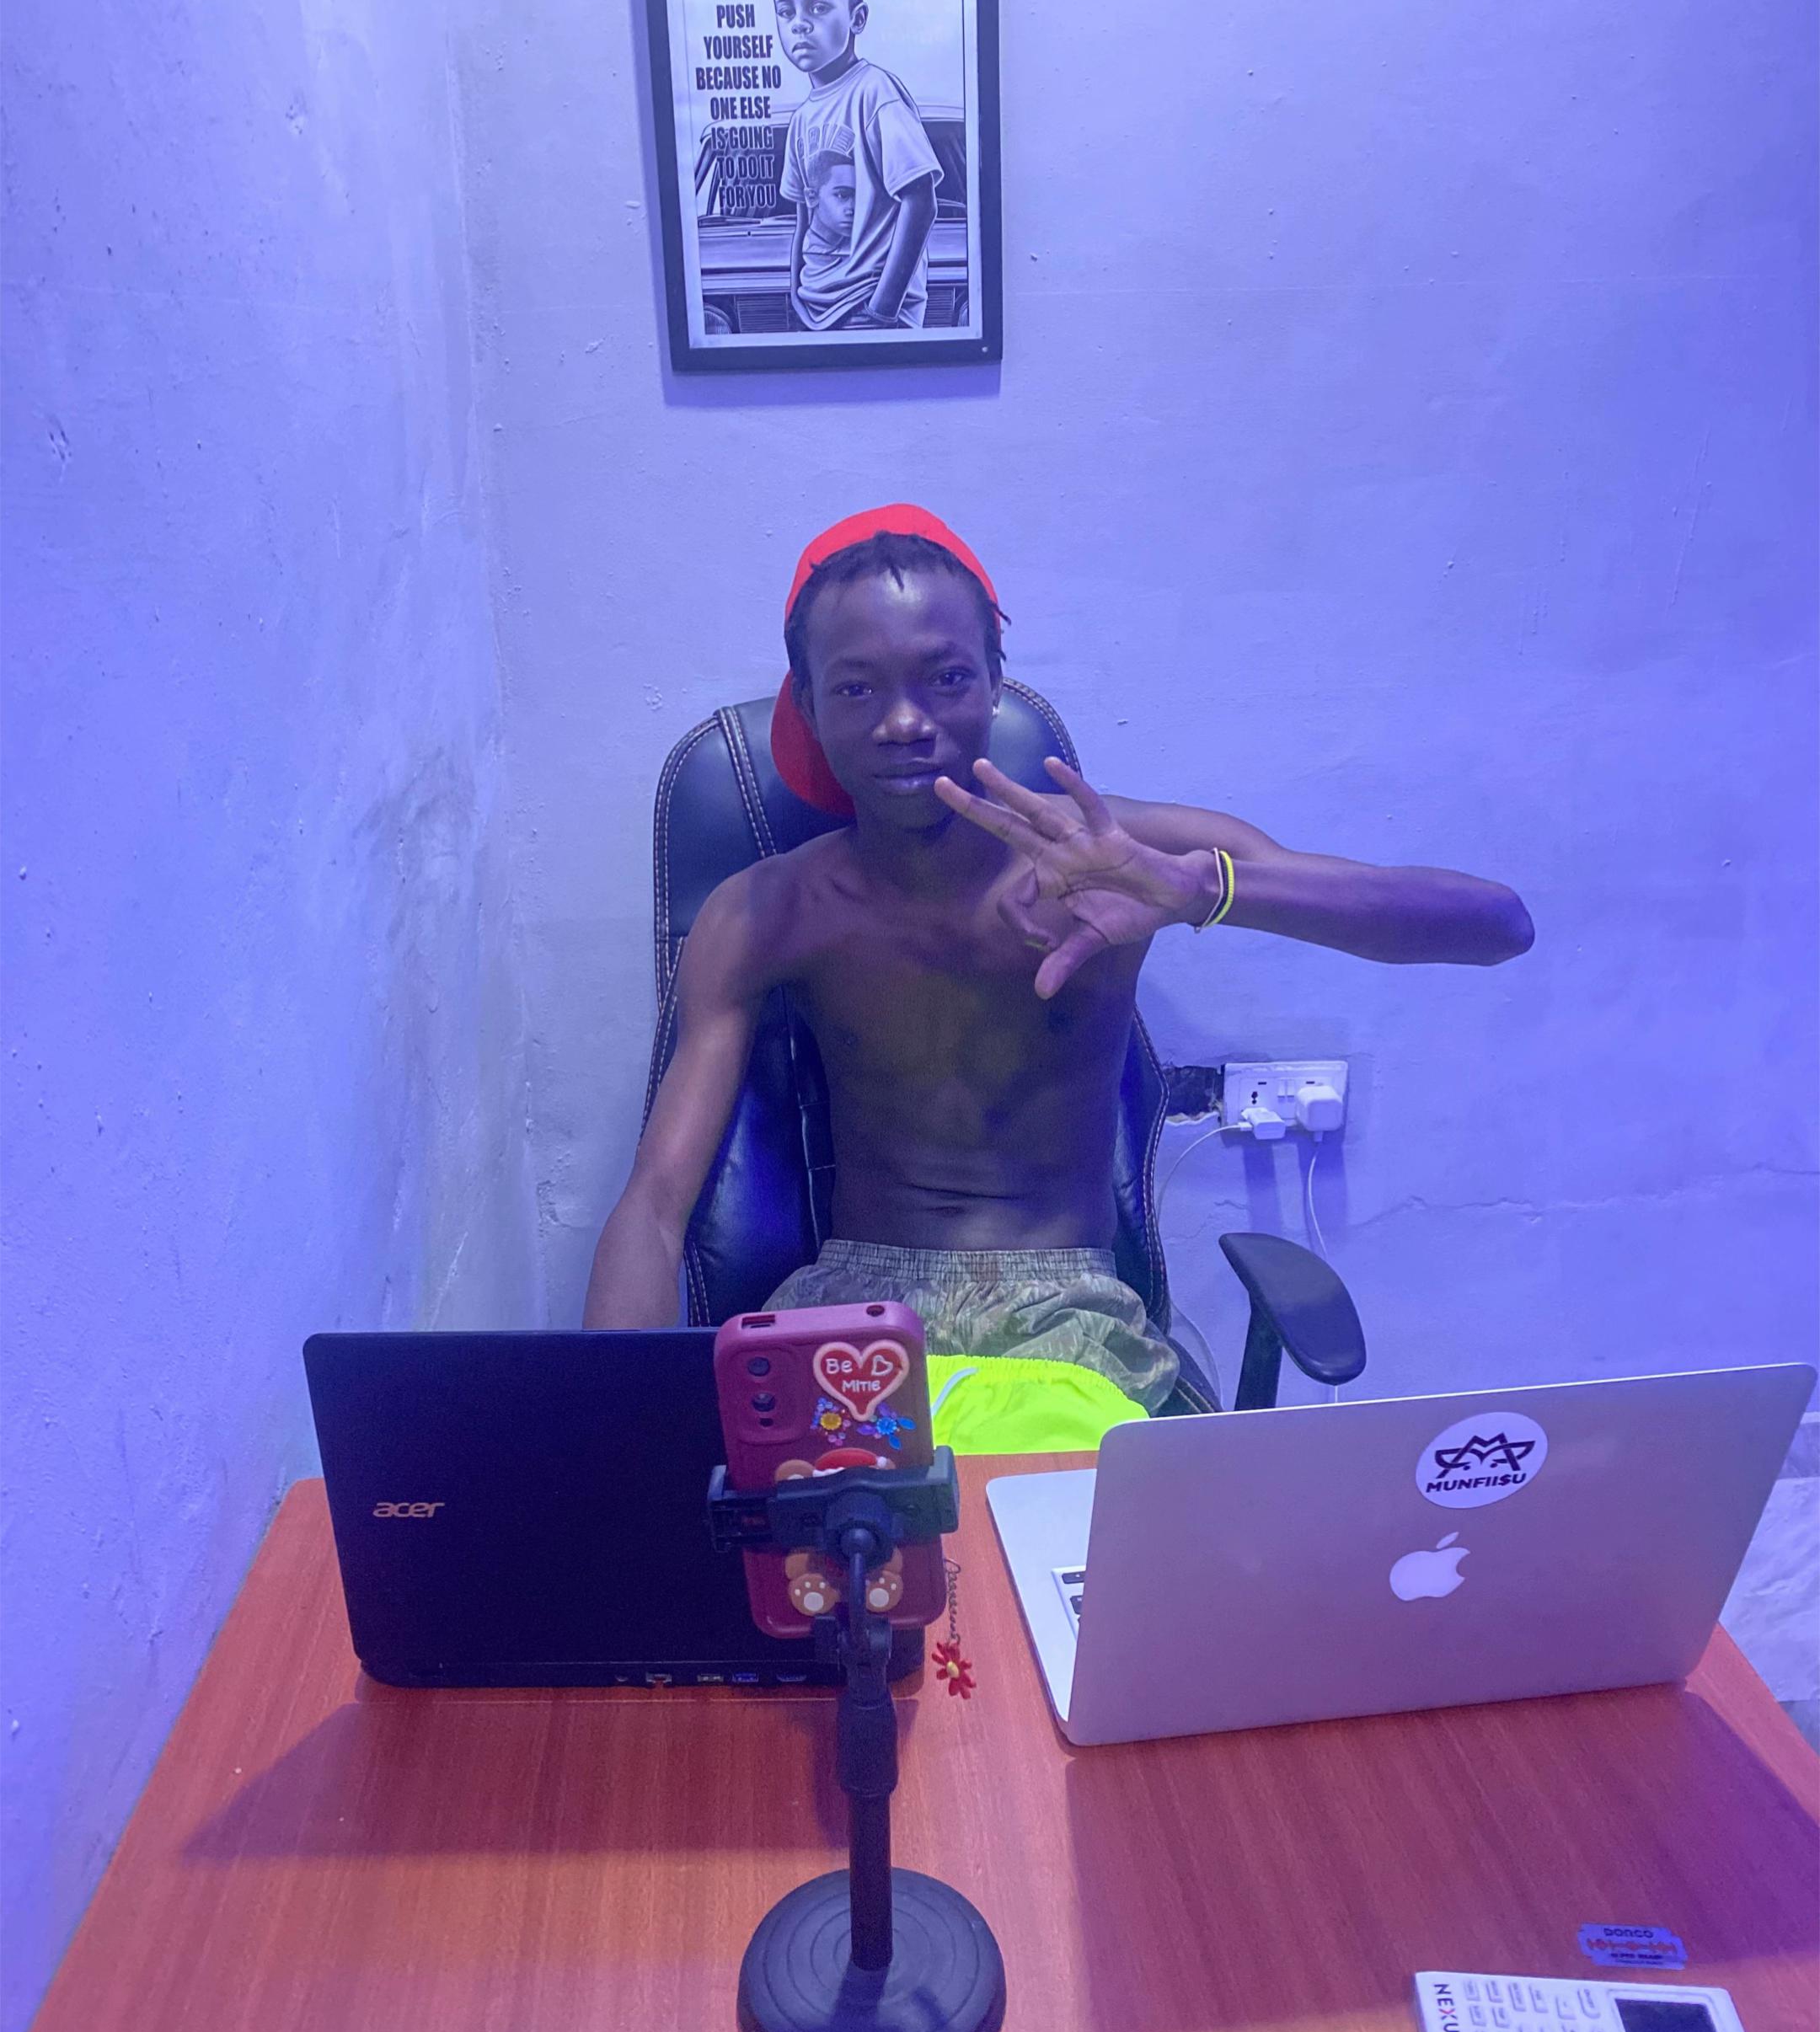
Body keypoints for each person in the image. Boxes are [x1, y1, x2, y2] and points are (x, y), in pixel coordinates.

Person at [584, 508, 1534, 1410]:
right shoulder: (766, 910)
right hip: (853, 1311)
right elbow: (656, 1203)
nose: (904, 721)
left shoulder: (1132, 858)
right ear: (810, 706)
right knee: (829, 1519)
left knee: (1037, 1514)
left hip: (1067, 1312)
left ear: (996, 682)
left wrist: (1201, 889)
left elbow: (1496, 925)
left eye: (945, 677)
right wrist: (621, 1428)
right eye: (858, 688)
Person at [771, 0, 940, 331]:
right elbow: (803, 218)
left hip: (867, 309)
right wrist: (796, 295)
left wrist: (882, 308)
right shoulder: (801, 119)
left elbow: (921, 201)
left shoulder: (876, 93)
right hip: (814, 310)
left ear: (857, 18)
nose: (799, 25)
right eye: (786, 11)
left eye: (817, 7)